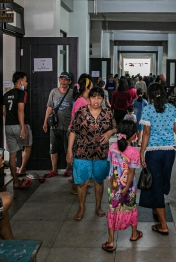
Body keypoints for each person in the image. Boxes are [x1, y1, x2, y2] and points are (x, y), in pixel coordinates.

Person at [139, 83, 176, 235]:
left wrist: (142, 152)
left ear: (150, 94)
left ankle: (163, 225)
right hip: (170, 152)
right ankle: (157, 207)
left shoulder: (148, 109)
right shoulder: (172, 108)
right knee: (162, 182)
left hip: (153, 152)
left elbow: (146, 133)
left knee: (156, 186)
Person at [67, 87, 117, 221]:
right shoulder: (81, 112)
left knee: (99, 181)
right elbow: (73, 131)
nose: (96, 100)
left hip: (101, 152)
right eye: (93, 97)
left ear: (102, 99)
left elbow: (115, 127)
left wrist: (109, 133)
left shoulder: (107, 113)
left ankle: (98, 206)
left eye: (99, 98)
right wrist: (69, 150)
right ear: (89, 98)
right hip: (82, 152)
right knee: (82, 182)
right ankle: (81, 207)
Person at [102, 120, 142, 253]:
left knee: (112, 210)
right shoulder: (134, 152)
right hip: (129, 188)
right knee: (130, 208)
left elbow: (112, 165)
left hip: (113, 186)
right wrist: (126, 187)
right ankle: (134, 234)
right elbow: (131, 172)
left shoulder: (112, 147)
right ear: (134, 136)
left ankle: (111, 241)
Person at [3, 71, 32, 189]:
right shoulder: (22, 93)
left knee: (12, 154)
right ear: (20, 82)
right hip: (18, 125)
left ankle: (15, 181)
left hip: (8, 126)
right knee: (28, 145)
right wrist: (22, 128)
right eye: (25, 80)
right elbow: (20, 110)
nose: (27, 83)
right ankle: (22, 169)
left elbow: (4, 112)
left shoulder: (6, 94)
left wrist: (8, 124)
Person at [43, 71, 73, 178]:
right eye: (61, 79)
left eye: (65, 79)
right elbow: (49, 107)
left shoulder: (72, 93)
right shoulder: (54, 92)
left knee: (68, 150)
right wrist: (45, 122)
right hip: (54, 126)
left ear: (70, 81)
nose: (63, 81)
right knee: (53, 149)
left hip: (68, 127)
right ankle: (54, 170)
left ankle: (68, 169)